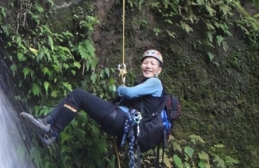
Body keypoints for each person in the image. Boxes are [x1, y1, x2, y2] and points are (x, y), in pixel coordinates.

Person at [21, 49, 164, 147]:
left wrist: (121, 89)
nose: (148, 66)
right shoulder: (145, 84)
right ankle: (46, 126)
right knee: (76, 99)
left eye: (152, 63)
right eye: (146, 62)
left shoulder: (155, 83)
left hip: (121, 119)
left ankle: (50, 130)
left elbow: (129, 93)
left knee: (77, 95)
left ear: (159, 70)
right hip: (120, 123)